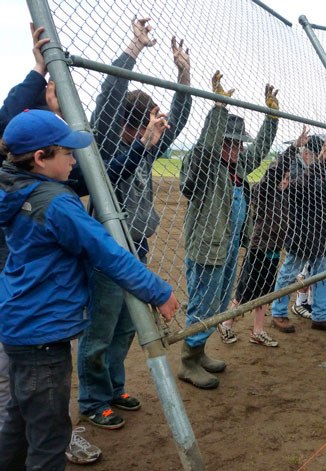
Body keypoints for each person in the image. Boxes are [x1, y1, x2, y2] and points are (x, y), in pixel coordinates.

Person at [0, 109, 178, 470]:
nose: (73, 159)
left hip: (20, 325)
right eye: (67, 153)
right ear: (40, 158)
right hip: (43, 332)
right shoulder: (56, 202)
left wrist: (144, 145)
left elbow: (101, 175)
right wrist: (157, 290)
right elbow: (107, 250)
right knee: (49, 437)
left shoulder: (15, 185)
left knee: (18, 420)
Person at [77, 17, 191, 429]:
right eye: (146, 124)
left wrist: (184, 73)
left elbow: (176, 118)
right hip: (107, 249)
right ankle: (92, 400)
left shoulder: (147, 142)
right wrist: (134, 48)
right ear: (131, 124)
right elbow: (109, 97)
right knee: (100, 329)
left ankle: (113, 386)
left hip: (137, 246)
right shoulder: (107, 140)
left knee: (127, 327)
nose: (153, 131)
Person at [0, 23, 102, 465]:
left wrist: (39, 90)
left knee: (19, 405)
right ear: (40, 156)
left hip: (19, 303)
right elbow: (8, 130)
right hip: (29, 313)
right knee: (29, 405)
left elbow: (98, 165)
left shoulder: (30, 180)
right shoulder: (33, 191)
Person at [179, 71, 279, 388]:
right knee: (202, 305)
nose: (237, 149)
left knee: (219, 306)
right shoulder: (204, 162)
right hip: (208, 248)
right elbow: (206, 149)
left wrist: (272, 117)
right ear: (219, 139)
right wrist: (218, 110)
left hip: (228, 248)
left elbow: (260, 150)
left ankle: (199, 352)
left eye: (239, 144)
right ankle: (187, 362)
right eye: (231, 143)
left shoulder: (235, 167)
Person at [270, 134, 326, 335]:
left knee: (322, 274)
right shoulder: (293, 169)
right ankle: (278, 312)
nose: (322, 157)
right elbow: (297, 188)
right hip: (300, 233)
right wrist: (318, 165)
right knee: (288, 273)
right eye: (318, 153)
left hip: (320, 232)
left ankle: (320, 315)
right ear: (307, 153)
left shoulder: (323, 170)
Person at [228, 149, 292, 347]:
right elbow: (272, 177)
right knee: (245, 291)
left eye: (288, 178)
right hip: (259, 248)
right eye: (283, 177)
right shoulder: (264, 191)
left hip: (273, 249)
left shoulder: (284, 196)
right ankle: (226, 322)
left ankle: (258, 330)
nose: (285, 181)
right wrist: (289, 153)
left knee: (265, 292)